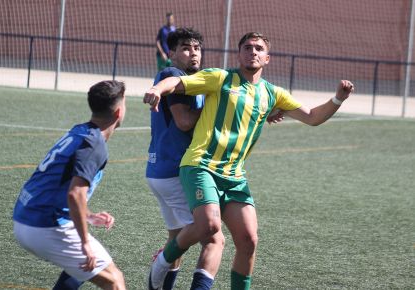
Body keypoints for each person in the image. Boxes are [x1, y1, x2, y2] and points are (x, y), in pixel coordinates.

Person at [144, 32, 354, 290]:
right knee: (208, 226)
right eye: (247, 47)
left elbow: (312, 116)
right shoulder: (219, 78)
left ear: (267, 58)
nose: (252, 51)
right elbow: (176, 82)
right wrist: (157, 88)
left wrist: (338, 99)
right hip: (200, 165)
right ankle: (163, 261)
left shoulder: (272, 94)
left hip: (234, 176)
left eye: (258, 48)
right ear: (239, 54)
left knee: (248, 241)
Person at [13, 80, 127, 290]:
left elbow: (58, 187)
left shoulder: (80, 131)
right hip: (44, 224)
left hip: (25, 216)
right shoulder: (95, 144)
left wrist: (88, 216)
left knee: (86, 270)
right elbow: (75, 194)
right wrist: (84, 243)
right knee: (115, 281)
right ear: (119, 112)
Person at [146, 27, 225, 290]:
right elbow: (183, 122)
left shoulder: (191, 80)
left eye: (197, 48)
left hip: (158, 170)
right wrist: (216, 113)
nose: (193, 53)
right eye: (185, 48)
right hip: (175, 170)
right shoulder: (174, 75)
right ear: (171, 53)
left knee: (177, 239)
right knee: (213, 238)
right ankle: (160, 267)